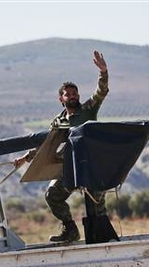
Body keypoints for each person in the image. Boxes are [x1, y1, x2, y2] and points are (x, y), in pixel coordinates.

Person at [14, 51, 109, 243]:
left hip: (90, 166)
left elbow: (101, 92)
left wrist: (103, 72)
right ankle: (71, 230)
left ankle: (104, 239)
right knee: (52, 195)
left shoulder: (88, 110)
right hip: (70, 167)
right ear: (61, 99)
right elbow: (48, 145)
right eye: (68, 94)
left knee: (96, 205)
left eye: (75, 94)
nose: (72, 96)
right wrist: (26, 158)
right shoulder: (58, 122)